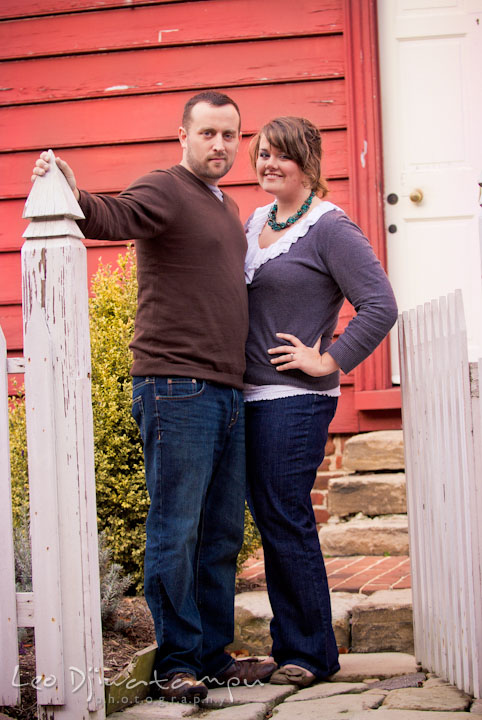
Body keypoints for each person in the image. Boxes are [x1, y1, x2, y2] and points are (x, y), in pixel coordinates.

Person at [31, 91, 276, 702]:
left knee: (220, 532)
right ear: (183, 136)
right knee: (176, 528)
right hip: (177, 387)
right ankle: (175, 663)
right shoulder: (167, 188)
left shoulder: (224, 204)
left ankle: (214, 654)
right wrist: (70, 189)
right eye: (208, 133)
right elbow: (110, 216)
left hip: (225, 391)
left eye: (230, 135)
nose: (220, 145)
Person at [243, 116, 398, 687]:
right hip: (248, 395)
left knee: (286, 518)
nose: (268, 164)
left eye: (281, 155)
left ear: (308, 161)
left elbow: (380, 305)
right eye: (261, 154)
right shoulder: (256, 220)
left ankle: (310, 653)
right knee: (271, 520)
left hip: (294, 400)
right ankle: (294, 646)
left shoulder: (331, 227)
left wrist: (328, 360)